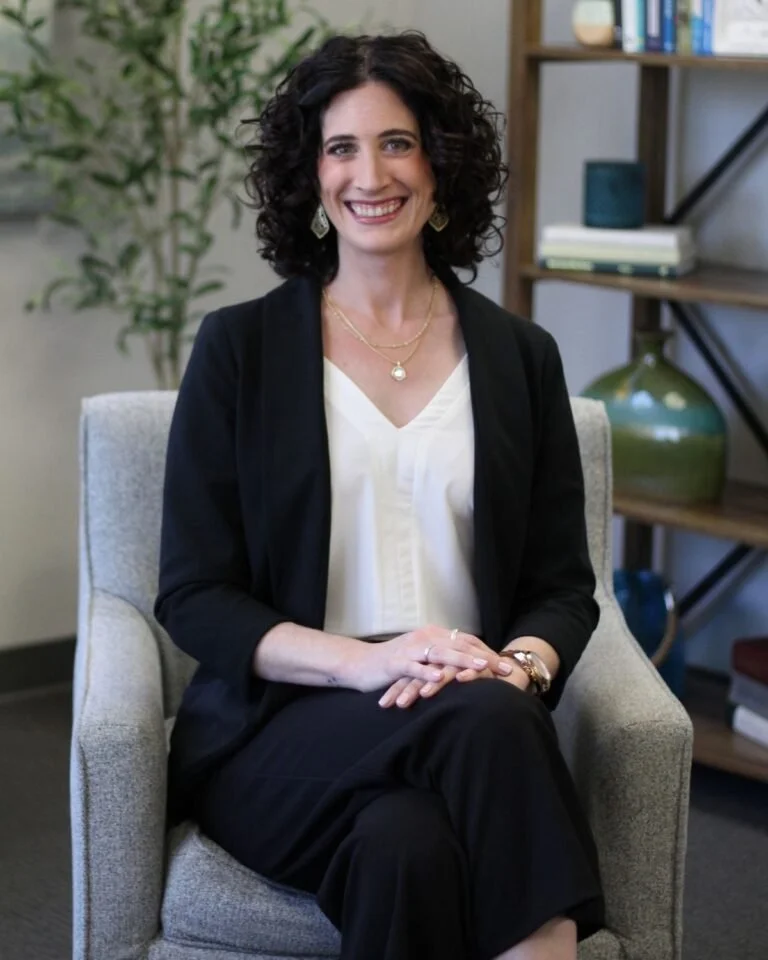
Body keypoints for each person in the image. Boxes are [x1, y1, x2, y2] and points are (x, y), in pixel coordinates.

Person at [155, 30, 604, 960]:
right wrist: (367, 664)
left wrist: (517, 667)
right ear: (311, 177)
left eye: (397, 142)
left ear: (441, 164)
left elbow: (561, 584)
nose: (371, 173)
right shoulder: (239, 351)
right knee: (486, 722)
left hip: (477, 700)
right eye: (341, 147)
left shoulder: (522, 358)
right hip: (281, 733)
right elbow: (194, 596)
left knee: (406, 849)